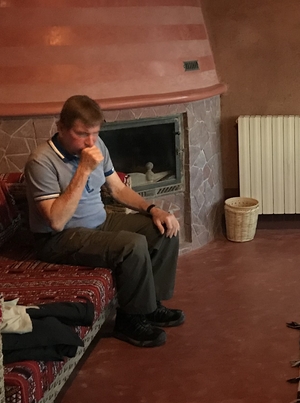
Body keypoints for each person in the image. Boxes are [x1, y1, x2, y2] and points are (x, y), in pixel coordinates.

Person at [23, 95, 184, 348]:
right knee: (132, 246)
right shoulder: (41, 161)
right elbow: (56, 220)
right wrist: (84, 169)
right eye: (81, 133)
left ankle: (151, 306)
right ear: (61, 127)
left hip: (99, 221)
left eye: (95, 133)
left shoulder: (99, 146)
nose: (90, 141)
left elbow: (118, 190)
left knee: (163, 230)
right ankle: (129, 321)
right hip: (59, 238)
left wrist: (153, 209)